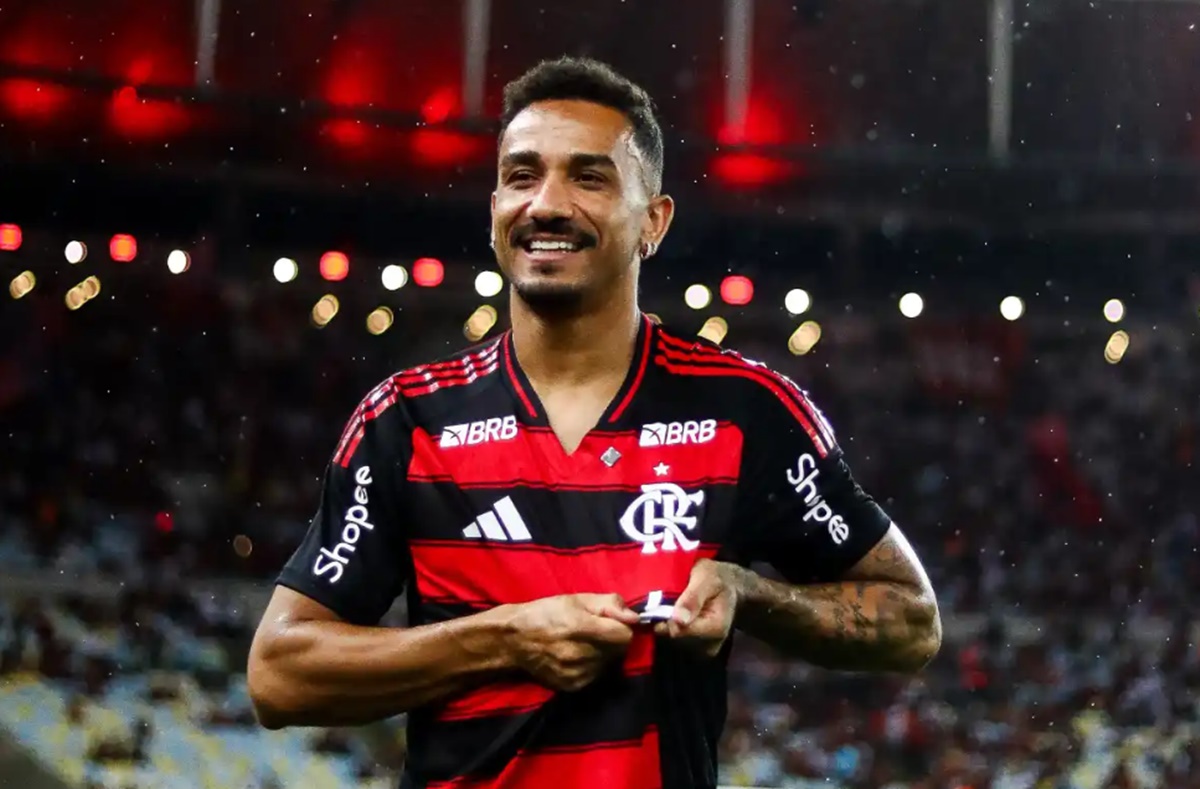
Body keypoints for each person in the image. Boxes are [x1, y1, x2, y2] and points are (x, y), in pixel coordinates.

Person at [247, 56, 942, 789]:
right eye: (521, 175)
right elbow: (280, 674)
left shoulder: (746, 411)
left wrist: (751, 593)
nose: (546, 203)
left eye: (589, 177)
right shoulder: (407, 419)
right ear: (493, 213)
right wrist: (505, 639)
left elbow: (911, 622)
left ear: (654, 221)